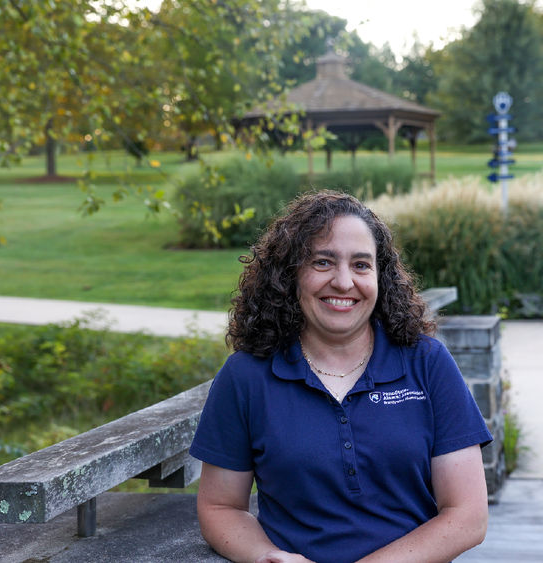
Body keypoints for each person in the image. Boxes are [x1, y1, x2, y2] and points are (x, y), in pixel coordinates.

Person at [189, 190, 492, 563]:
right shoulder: (247, 376)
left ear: (380, 277)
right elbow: (221, 508)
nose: (344, 282)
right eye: (323, 262)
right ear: (290, 275)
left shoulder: (427, 363)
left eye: (361, 265)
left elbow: (467, 516)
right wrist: (266, 556)